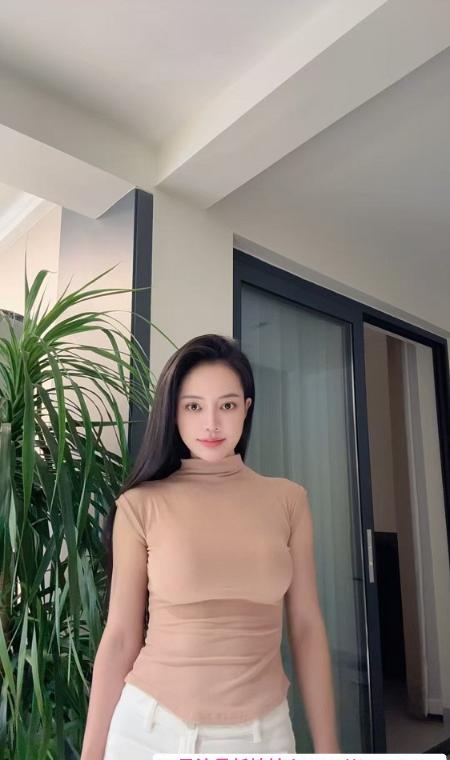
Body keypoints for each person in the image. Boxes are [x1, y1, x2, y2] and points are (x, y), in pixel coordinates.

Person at [80, 333, 341, 759]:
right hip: (149, 729)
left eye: (228, 405)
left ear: (247, 409)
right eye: (194, 406)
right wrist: (91, 754)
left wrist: (329, 748)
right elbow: (121, 638)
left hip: (262, 735)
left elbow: (307, 627)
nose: (212, 424)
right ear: (174, 412)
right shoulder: (140, 505)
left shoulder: (288, 500)